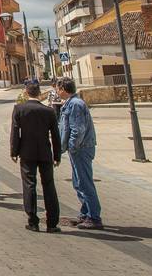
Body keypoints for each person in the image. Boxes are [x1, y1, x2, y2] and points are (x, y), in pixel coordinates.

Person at [11, 81, 62, 233]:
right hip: (45, 152)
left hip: (27, 152)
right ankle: (52, 223)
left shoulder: (19, 109)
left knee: (29, 185)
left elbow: (15, 132)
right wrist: (57, 155)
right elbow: (55, 135)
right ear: (39, 93)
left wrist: (14, 151)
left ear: (26, 93)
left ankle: (33, 221)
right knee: (49, 186)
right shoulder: (49, 111)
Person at [58, 77, 102, 229]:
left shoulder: (75, 104)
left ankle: (94, 217)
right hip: (79, 148)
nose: (57, 92)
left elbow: (78, 130)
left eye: (58, 89)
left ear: (63, 89)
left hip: (81, 148)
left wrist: (71, 146)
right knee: (78, 182)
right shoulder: (72, 103)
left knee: (84, 182)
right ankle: (86, 212)